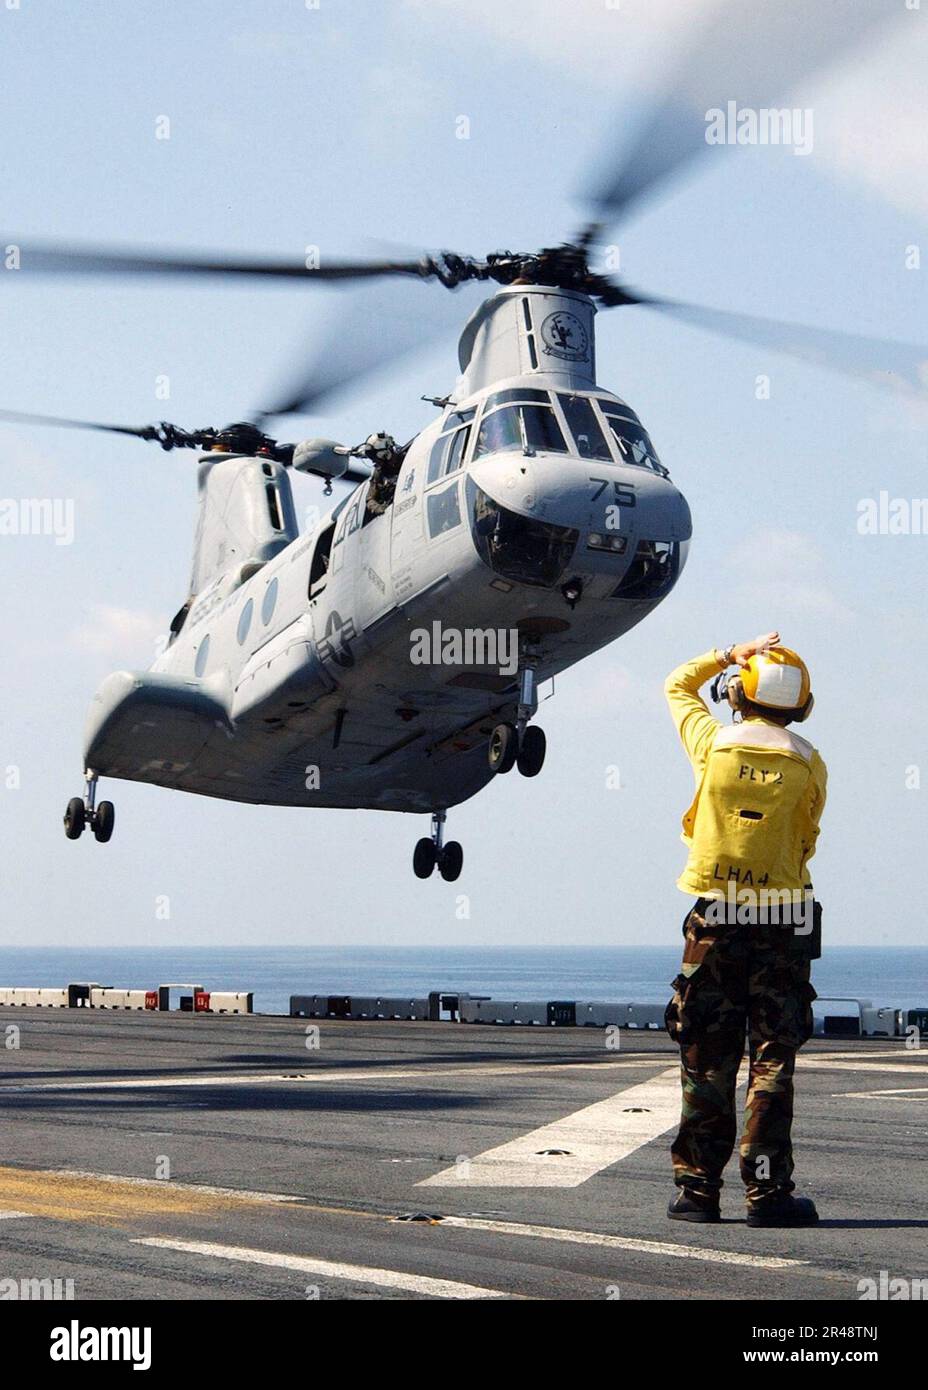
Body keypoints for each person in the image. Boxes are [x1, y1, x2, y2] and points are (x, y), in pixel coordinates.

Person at [663, 632, 827, 1227]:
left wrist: (728, 652)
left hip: (717, 915)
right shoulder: (809, 761)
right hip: (785, 914)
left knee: (705, 1049)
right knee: (772, 1055)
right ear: (800, 704)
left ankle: (697, 1192)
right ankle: (767, 1194)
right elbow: (809, 835)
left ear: (738, 693)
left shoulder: (713, 745)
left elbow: (678, 683)